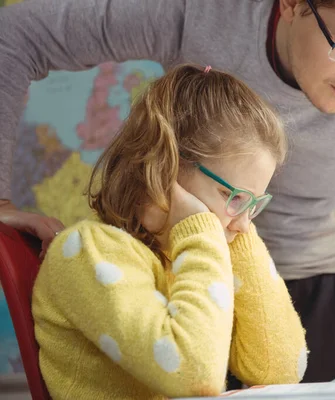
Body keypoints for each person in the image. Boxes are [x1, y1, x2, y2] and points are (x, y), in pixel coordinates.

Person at [0, 0, 335, 383]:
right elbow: (15, 31)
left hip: (315, 297)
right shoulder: (203, 13)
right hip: (164, 282)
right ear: (292, 5)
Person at [31, 64, 307, 399]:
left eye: (253, 204)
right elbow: (194, 378)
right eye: (232, 196)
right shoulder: (90, 251)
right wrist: (202, 230)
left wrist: (239, 235)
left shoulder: (182, 257)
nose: (244, 222)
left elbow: (280, 371)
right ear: (163, 170)